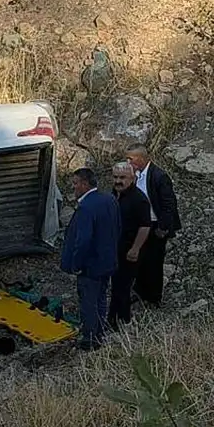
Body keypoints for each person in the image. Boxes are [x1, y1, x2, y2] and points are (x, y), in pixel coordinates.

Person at [61, 167, 121, 351]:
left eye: (76, 183)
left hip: (90, 265)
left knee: (88, 301)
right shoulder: (109, 199)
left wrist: (77, 263)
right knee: (101, 298)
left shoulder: (86, 207)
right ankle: (100, 333)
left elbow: (84, 239)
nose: (74, 187)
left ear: (85, 184)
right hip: (107, 261)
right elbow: (118, 227)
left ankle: (90, 339)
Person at [125, 145, 182, 308]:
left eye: (131, 159)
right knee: (139, 259)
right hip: (140, 224)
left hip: (155, 224)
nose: (128, 162)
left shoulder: (159, 176)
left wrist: (163, 227)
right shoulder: (135, 176)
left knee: (154, 262)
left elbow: (168, 204)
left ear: (141, 159)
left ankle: (154, 297)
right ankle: (140, 290)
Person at [110, 162, 152, 330]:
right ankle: (113, 317)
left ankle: (123, 320)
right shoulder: (114, 194)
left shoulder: (139, 199)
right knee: (116, 285)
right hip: (116, 247)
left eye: (122, 178)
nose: (118, 181)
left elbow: (145, 226)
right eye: (115, 177)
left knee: (123, 286)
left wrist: (135, 249)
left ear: (132, 178)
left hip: (130, 248)